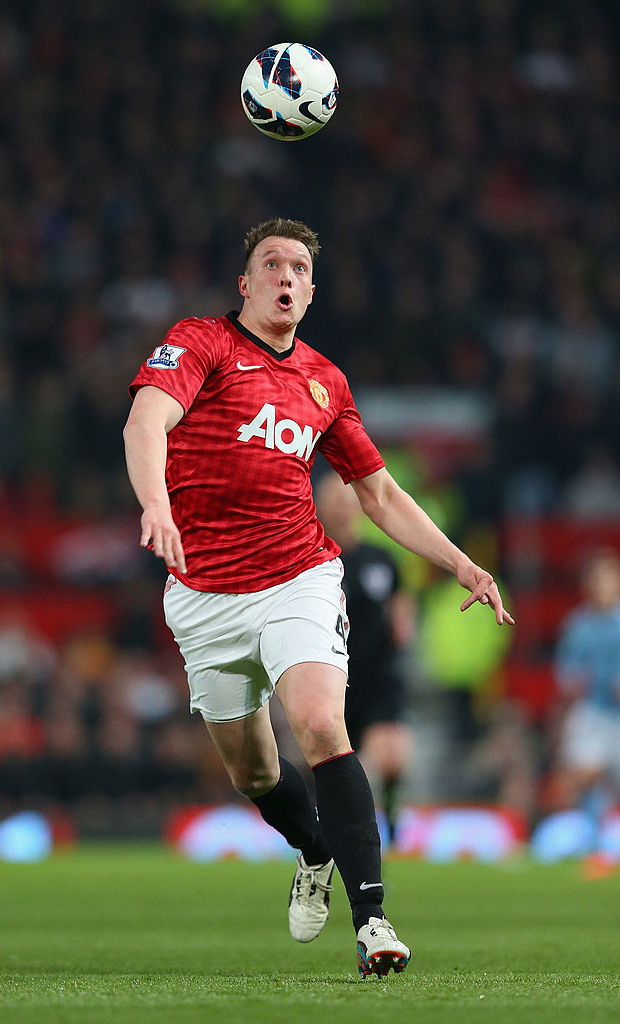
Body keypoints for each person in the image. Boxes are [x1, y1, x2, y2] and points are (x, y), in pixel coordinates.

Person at [123, 218, 514, 979]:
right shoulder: (200, 343)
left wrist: (463, 566)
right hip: (204, 594)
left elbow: (379, 494)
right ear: (245, 284)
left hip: (297, 578)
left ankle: (373, 923)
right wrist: (156, 506)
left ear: (310, 292)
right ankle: (311, 851)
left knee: (320, 723)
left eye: (299, 267)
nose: (285, 276)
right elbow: (146, 422)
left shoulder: (324, 382)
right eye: (271, 264)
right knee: (253, 776)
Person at [314, 470, 415, 847]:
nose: (342, 509)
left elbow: (401, 604)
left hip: (378, 676)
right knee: (341, 764)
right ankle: (343, 831)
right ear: (319, 507)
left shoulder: (381, 559)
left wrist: (403, 625)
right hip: (331, 679)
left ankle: (391, 820)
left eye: (347, 502)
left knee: (392, 758)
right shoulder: (313, 562)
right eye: (335, 503)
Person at [554, 547, 620, 820]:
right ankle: (585, 824)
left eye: (608, 579)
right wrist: (574, 684)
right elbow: (565, 675)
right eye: (597, 579)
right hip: (591, 712)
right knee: (580, 777)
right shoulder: (578, 626)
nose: (602, 586)